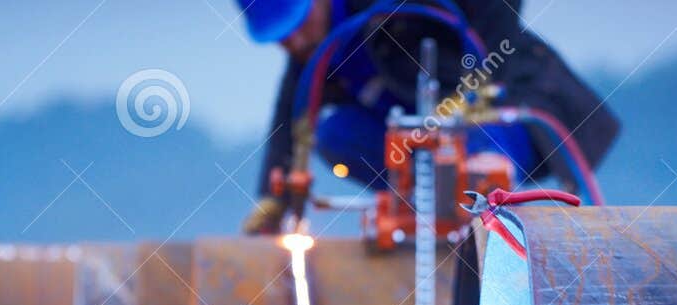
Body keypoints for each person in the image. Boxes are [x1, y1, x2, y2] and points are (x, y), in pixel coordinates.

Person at [237, 0, 621, 233]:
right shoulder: (316, 54)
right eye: (282, 39)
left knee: (477, 156)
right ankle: (422, 210)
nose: (296, 42)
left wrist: (485, 75)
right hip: (418, 147)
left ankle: (488, 223)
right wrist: (274, 199)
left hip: (494, 116)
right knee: (333, 134)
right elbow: (294, 112)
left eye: (299, 25)